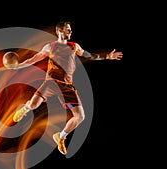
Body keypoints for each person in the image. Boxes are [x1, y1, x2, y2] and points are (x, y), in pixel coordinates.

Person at [12, 21, 123, 155]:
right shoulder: (50, 47)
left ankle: (61, 136)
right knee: (34, 105)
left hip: (67, 86)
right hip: (51, 82)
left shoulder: (74, 46)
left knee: (80, 116)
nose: (70, 31)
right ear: (59, 31)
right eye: (67, 29)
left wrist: (107, 56)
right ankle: (25, 108)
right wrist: (17, 66)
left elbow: (89, 55)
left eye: (70, 29)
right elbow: (33, 60)